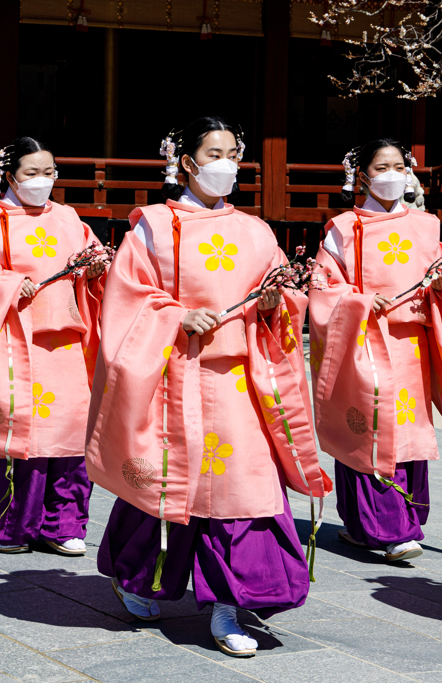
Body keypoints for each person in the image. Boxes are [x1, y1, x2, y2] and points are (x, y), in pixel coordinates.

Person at [85, 117, 330, 657]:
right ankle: (138, 576)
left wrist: (275, 303)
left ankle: (228, 603)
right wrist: (176, 315)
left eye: (233, 154)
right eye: (213, 153)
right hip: (174, 378)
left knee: (243, 491)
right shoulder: (151, 225)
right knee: (167, 484)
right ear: (187, 162)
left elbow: (285, 296)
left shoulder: (257, 230)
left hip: (240, 383)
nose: (226, 164)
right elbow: (126, 301)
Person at [308, 139, 442, 563]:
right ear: (363, 176)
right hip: (364, 343)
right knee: (368, 427)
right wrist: (359, 302)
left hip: (412, 346)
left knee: (407, 430)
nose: (393, 173)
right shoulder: (342, 229)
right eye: (382, 166)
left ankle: (378, 524)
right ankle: (390, 529)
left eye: (399, 165)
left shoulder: (426, 225)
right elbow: (322, 289)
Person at [0, 137, 104, 555]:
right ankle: (10, 524)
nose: (42, 180)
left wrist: (98, 267)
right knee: (17, 431)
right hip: (10, 340)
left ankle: (63, 523)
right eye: (32, 173)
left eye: (49, 172)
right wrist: (9, 282)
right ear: (9, 176)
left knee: (68, 430)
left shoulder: (68, 218)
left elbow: (90, 258)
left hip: (64, 336)